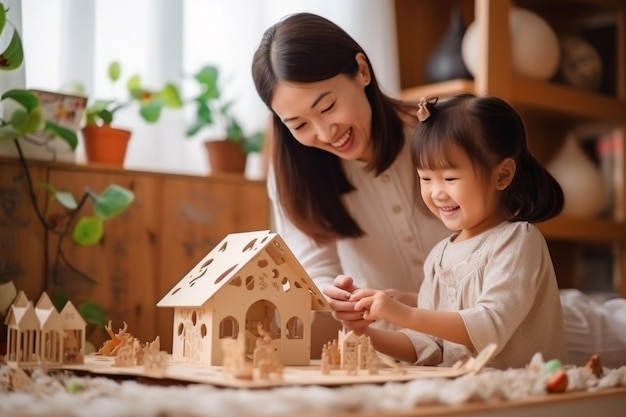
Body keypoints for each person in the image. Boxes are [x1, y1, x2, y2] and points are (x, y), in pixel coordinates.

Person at [251, 11, 449, 341]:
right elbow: (312, 268)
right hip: (398, 345)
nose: (325, 133)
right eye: (299, 125)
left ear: (362, 70)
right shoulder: (294, 173)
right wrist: (328, 293)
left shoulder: (443, 131)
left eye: (327, 107)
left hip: (486, 322)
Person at [348, 94, 568, 369]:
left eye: (450, 178)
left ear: (502, 175)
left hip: (523, 393)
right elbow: (429, 344)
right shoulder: (439, 256)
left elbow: (489, 325)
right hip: (467, 395)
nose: (436, 192)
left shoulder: (518, 240)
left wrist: (403, 313)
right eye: (425, 178)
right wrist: (365, 334)